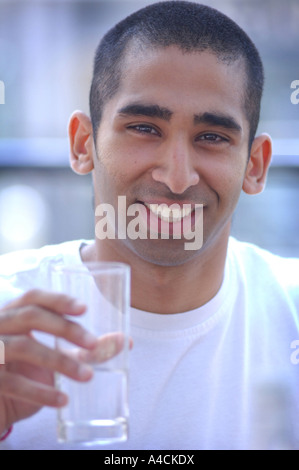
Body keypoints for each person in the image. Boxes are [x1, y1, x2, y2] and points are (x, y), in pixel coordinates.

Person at [0, 1, 298, 450]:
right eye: (144, 128)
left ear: (255, 165)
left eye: (212, 137)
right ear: (83, 144)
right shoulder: (9, 317)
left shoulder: (291, 311)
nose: (177, 177)